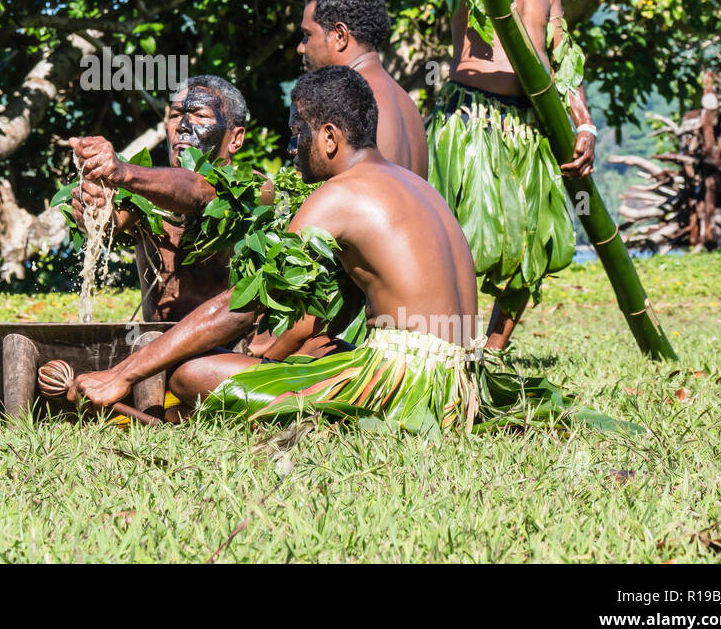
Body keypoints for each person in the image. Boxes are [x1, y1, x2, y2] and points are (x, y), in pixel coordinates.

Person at [71, 67, 481, 426]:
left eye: (298, 132)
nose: (290, 147)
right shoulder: (416, 187)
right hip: (463, 382)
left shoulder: (336, 197)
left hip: (406, 385)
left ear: (330, 138)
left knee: (191, 376)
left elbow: (239, 306)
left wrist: (121, 375)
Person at [436, 0, 597, 349]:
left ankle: (493, 351)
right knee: (457, 239)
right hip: (472, 119)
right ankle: (450, 345)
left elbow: (562, 56)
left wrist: (584, 123)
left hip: (532, 125)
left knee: (533, 243)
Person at [68, 75, 248, 323]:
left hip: (231, 350)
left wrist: (124, 171)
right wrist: (94, 206)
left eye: (200, 115)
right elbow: (114, 221)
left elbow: (199, 193)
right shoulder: (148, 191)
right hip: (154, 343)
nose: (183, 125)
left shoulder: (252, 191)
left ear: (236, 138)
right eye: (175, 115)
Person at [298, 0, 427, 177]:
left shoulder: (351, 101)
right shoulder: (407, 103)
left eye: (307, 36)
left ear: (340, 35)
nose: (300, 48)